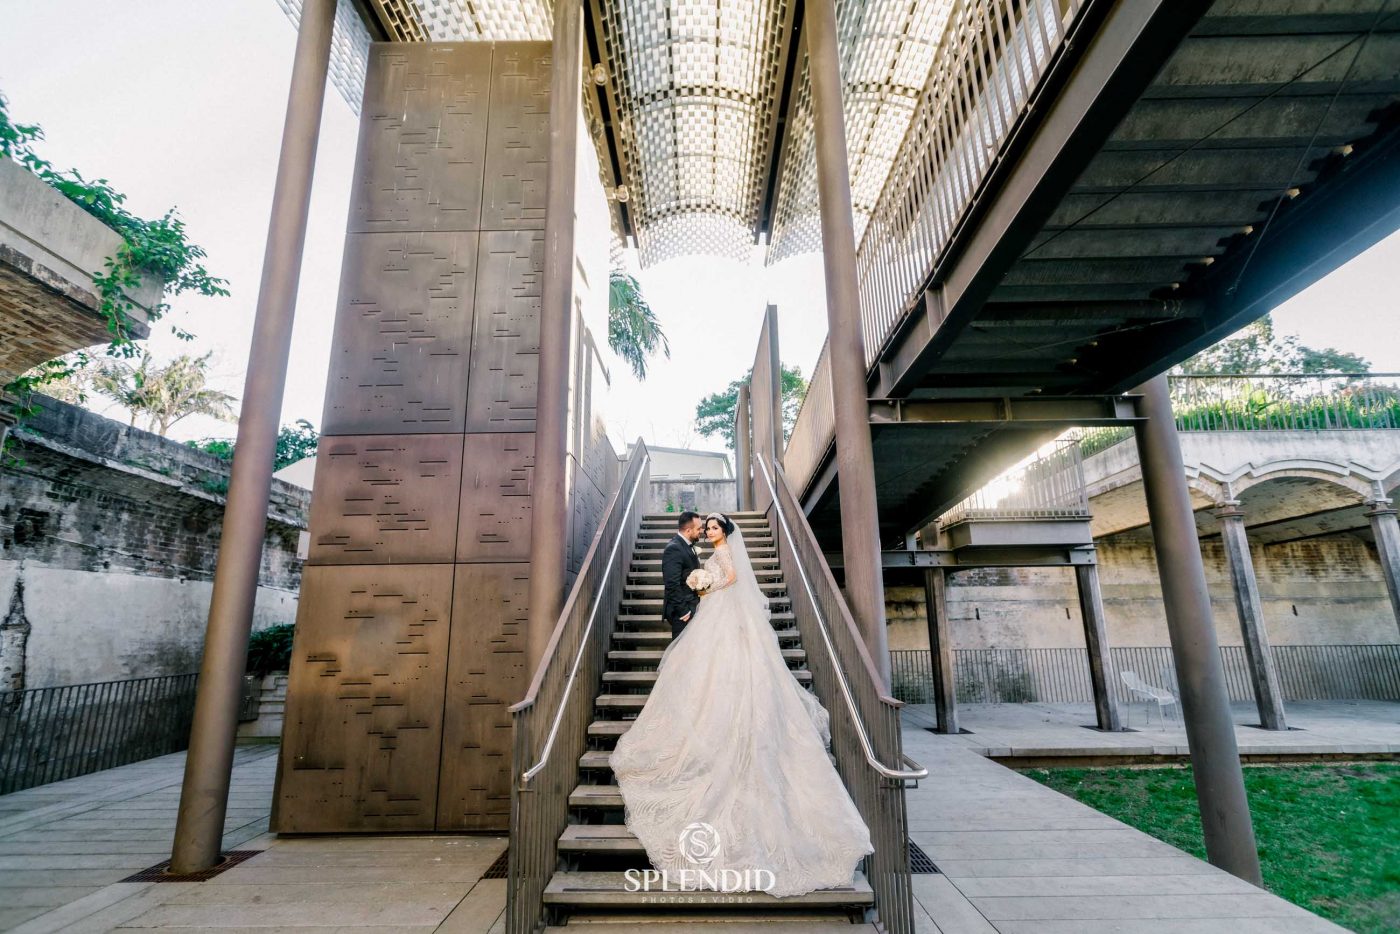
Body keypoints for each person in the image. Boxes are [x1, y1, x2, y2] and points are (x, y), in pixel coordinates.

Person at [610, 512, 873, 897]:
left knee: (728, 669)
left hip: (721, 610)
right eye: (707, 528)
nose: (709, 531)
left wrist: (706, 586)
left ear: (725, 531)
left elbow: (731, 578)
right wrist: (701, 585)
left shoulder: (723, 552)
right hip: (714, 612)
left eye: (715, 527)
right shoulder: (707, 551)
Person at [660, 511, 703, 639]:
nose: (701, 531)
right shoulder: (674, 548)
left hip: (692, 605)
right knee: (681, 649)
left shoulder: (686, 545)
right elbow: (671, 583)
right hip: (682, 612)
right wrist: (684, 612)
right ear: (688, 530)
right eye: (699, 528)